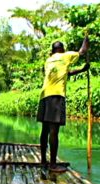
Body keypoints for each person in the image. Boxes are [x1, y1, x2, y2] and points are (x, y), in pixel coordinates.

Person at [37, 36, 90, 172]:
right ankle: (53, 165)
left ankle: (43, 161)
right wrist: (86, 40)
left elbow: (65, 73)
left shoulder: (48, 61)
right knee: (54, 131)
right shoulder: (66, 56)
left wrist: (82, 70)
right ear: (62, 49)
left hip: (44, 96)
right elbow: (82, 51)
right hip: (56, 95)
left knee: (45, 130)